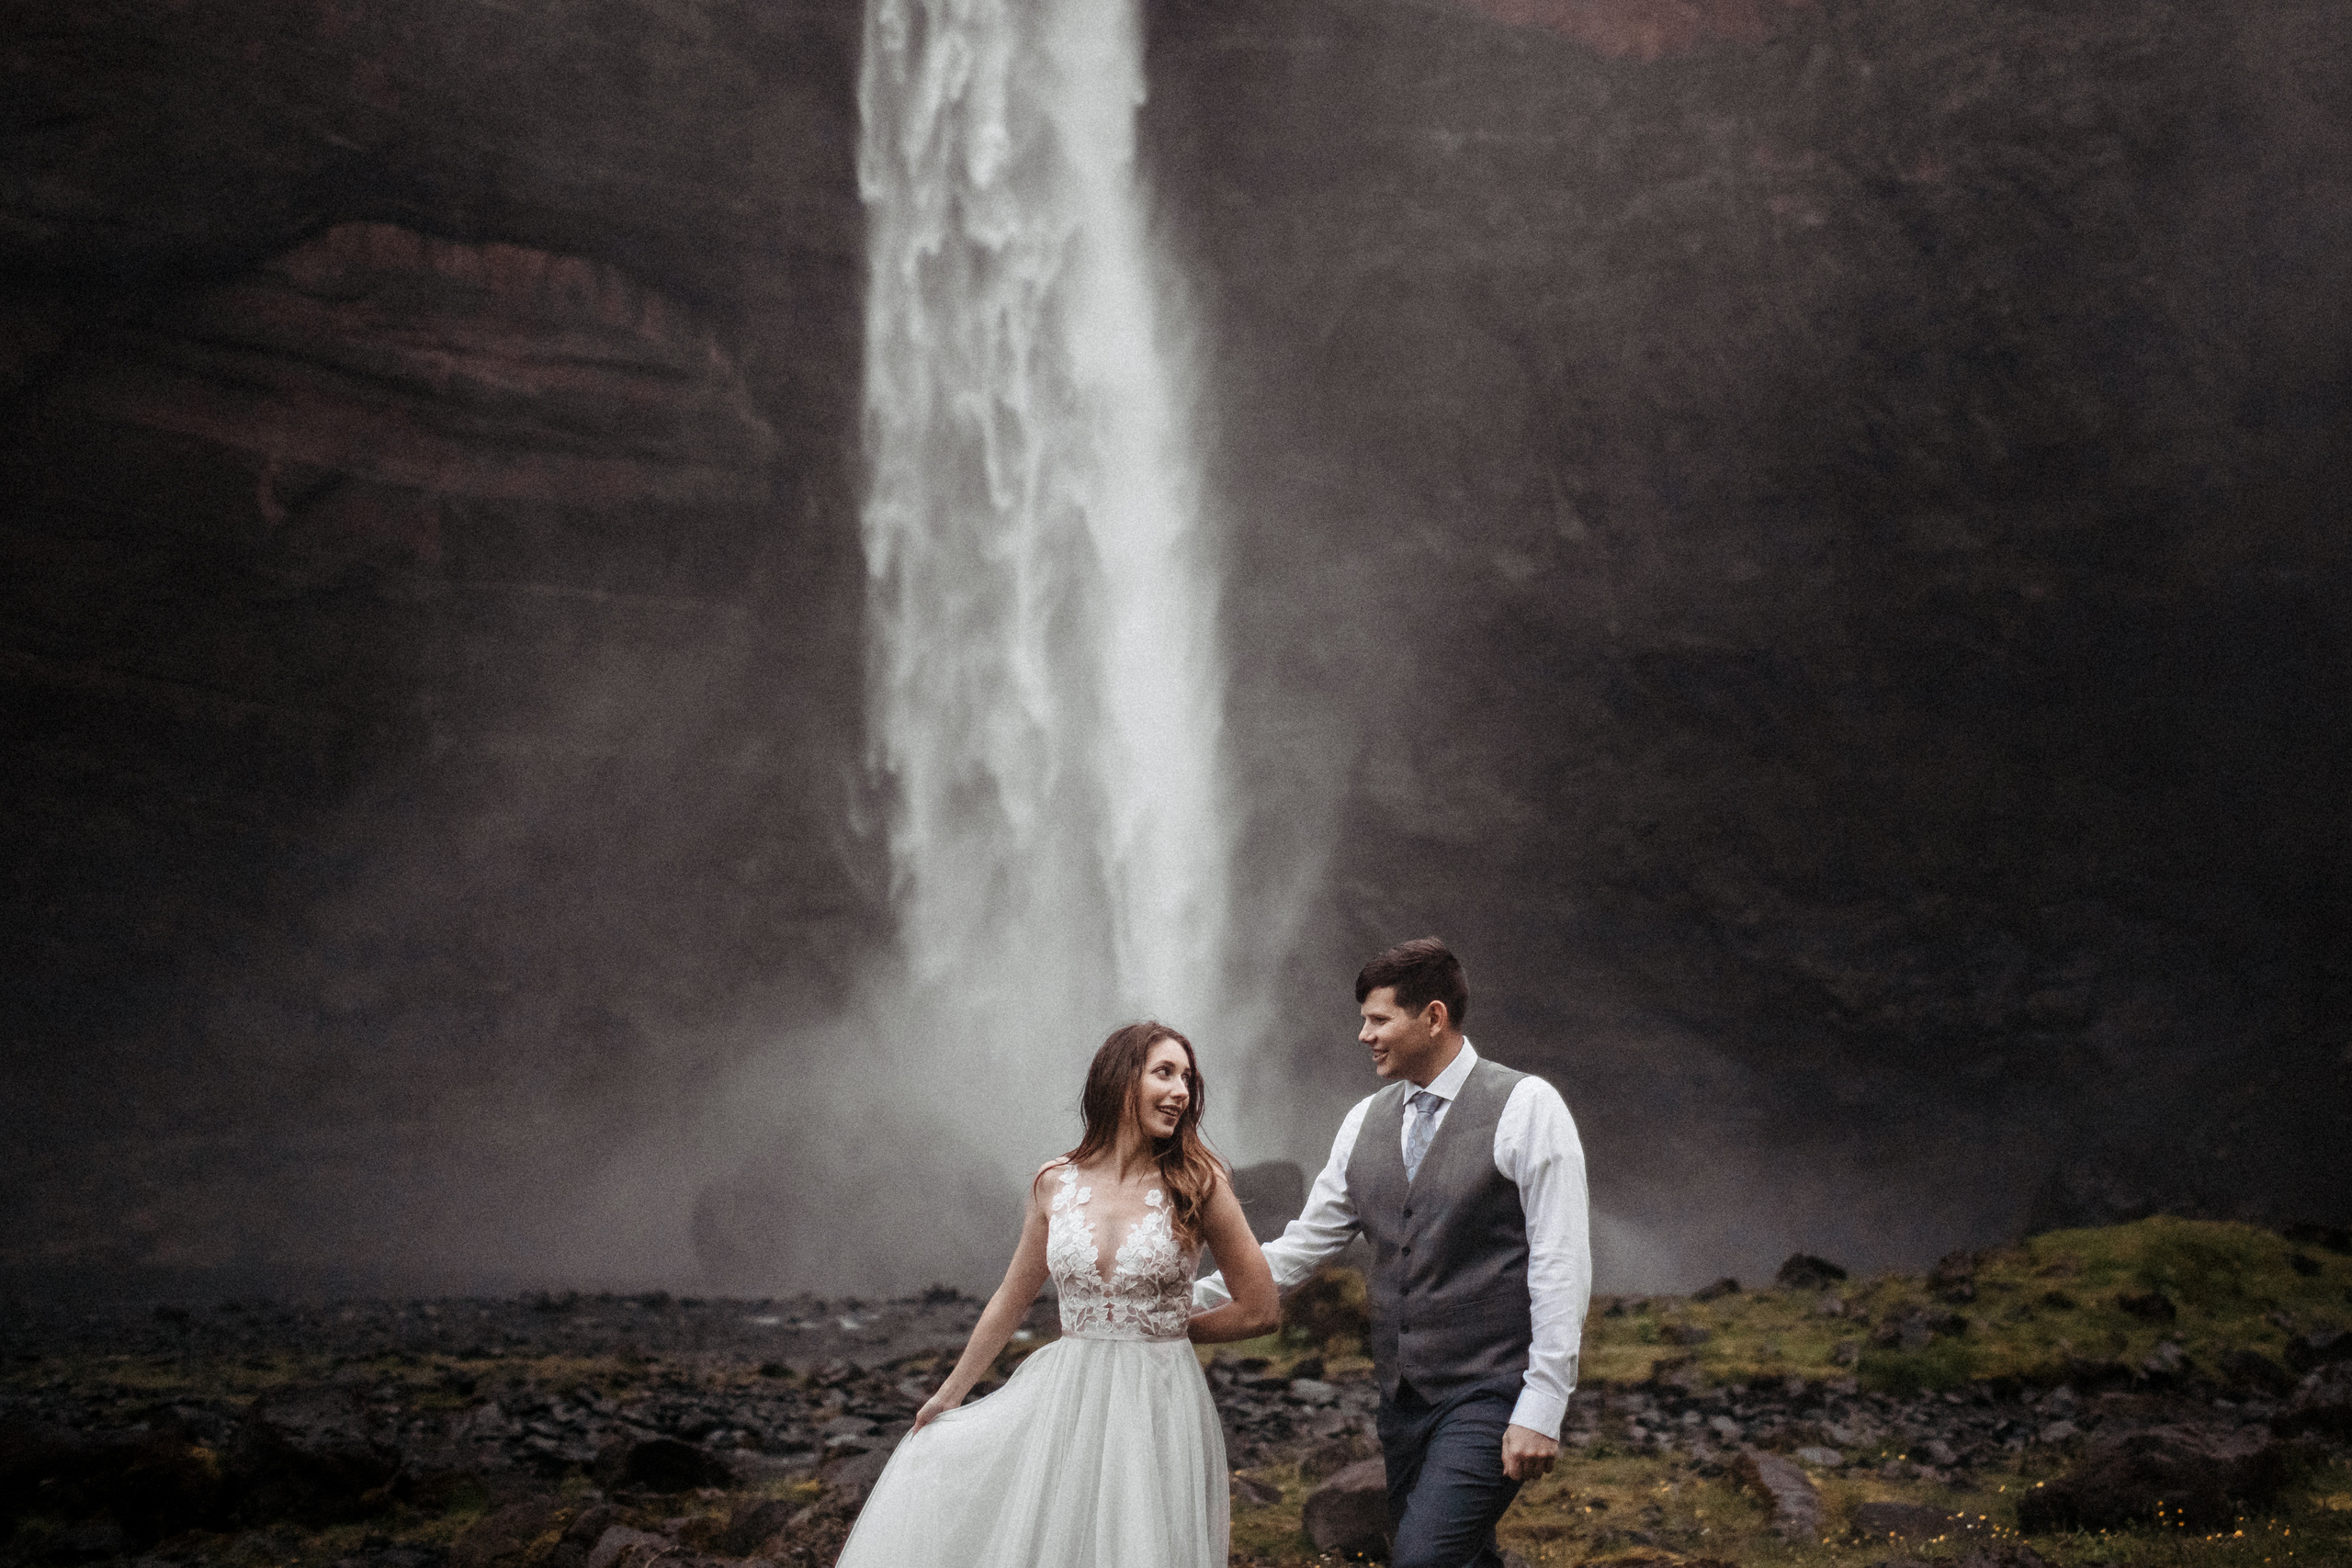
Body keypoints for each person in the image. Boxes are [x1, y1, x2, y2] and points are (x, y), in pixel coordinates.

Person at [1196, 938, 1591, 1568]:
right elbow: (1300, 1248)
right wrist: (1178, 1300)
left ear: (1433, 1016)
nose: (1363, 1035)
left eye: (1378, 1019)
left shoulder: (1528, 1107)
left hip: (1492, 1391)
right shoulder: (1362, 1122)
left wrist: (1543, 1405)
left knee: (1423, 1557)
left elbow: (1560, 1262)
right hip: (1402, 1405)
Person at [833, 1021, 1280, 1568]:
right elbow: (1011, 1299)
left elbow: (1260, 1310)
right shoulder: (1055, 1182)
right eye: (1164, 1072)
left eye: (1187, 1077)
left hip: (1159, 1396)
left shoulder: (1201, 1181)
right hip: (1068, 1394)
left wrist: (1166, 1327)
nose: (1182, 1091)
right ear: (1119, 1080)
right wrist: (950, 1394)